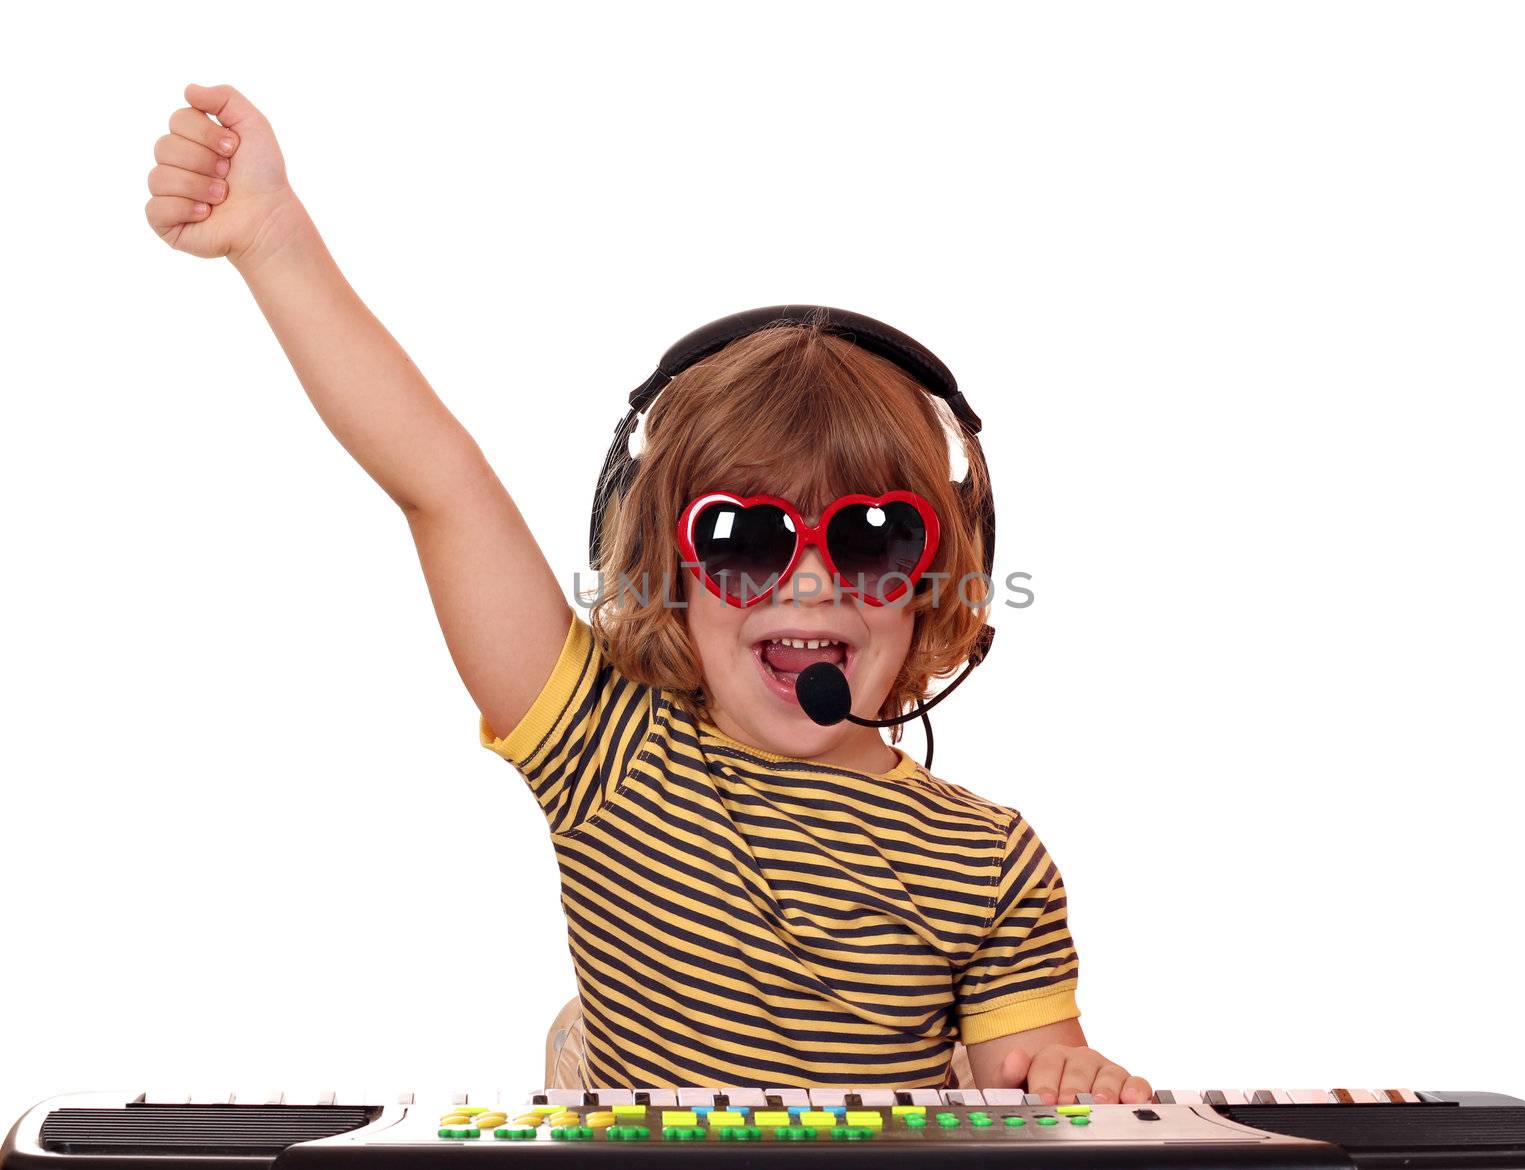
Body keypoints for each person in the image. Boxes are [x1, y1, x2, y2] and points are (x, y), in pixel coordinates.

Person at [144, 82, 1153, 1105]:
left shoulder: (990, 862)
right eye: (745, 540)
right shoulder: (606, 748)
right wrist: (273, 239)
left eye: (868, 537)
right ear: (671, 581)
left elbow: (1036, 1105)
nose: (809, 578)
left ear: (932, 579)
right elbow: (438, 483)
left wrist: (1071, 1081)